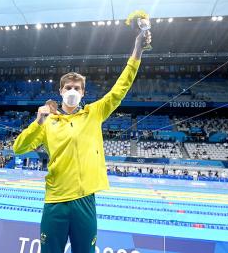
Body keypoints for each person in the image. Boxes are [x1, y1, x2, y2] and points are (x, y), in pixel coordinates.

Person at [13, 30, 151, 253]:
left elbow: (120, 89)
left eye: (77, 88)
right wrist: (37, 122)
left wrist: (137, 51)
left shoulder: (93, 113)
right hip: (55, 201)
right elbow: (18, 147)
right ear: (60, 91)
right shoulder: (47, 121)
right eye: (68, 87)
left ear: (83, 92)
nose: (72, 91)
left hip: (84, 201)